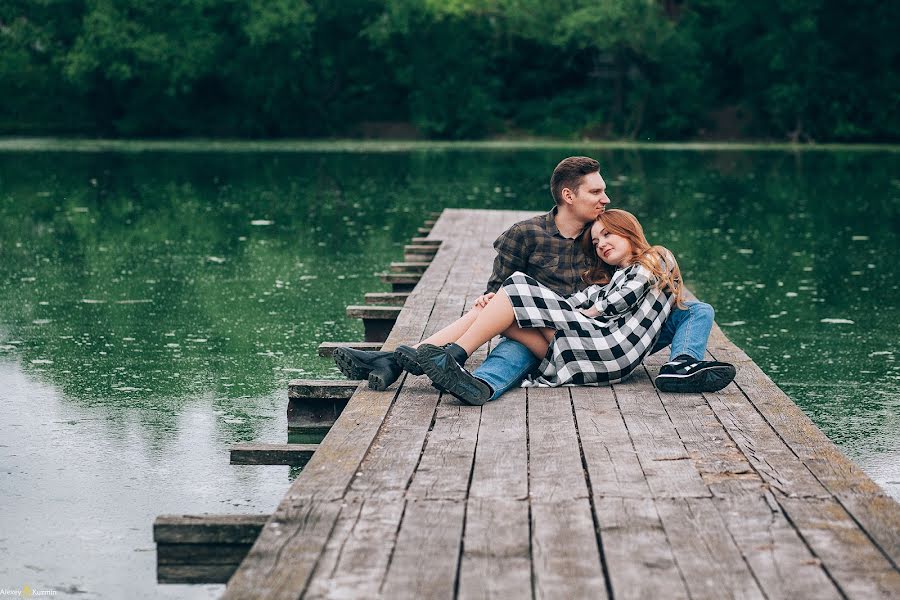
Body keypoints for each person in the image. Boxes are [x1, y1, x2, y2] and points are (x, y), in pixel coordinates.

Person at [333, 156, 735, 401]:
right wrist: (493, 300)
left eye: (608, 233)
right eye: (596, 192)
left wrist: (590, 300)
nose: (605, 201)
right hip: (547, 327)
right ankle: (412, 365)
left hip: (583, 331)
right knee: (507, 321)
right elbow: (499, 287)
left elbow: (625, 295)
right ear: (568, 195)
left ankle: (683, 364)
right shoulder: (526, 234)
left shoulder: (625, 259)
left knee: (695, 307)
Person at [413, 209, 696, 396]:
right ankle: (429, 357)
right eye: (596, 242)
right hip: (589, 355)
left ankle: (452, 355)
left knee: (517, 284)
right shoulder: (607, 281)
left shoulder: (655, 257)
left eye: (608, 235)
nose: (601, 244)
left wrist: (593, 310)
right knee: (498, 308)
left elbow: (626, 296)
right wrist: (512, 303)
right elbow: (571, 301)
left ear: (629, 231)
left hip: (611, 347)